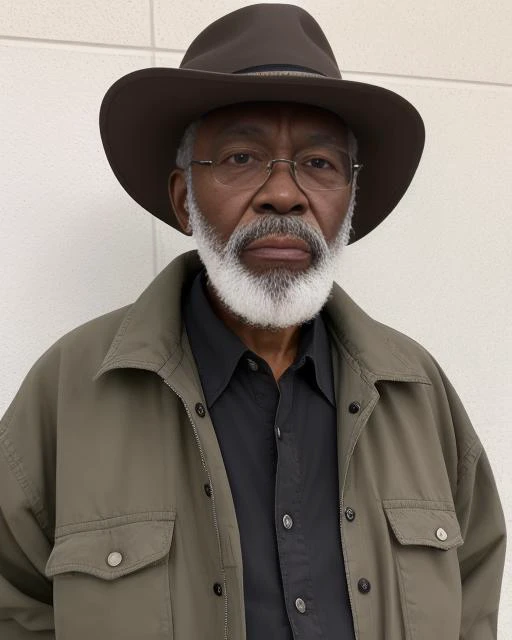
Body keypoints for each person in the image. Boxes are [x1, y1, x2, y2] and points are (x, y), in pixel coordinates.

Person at [0, 4, 506, 639]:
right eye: (242, 157)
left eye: (320, 164)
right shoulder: (70, 390)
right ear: (185, 198)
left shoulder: (418, 394)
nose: (284, 194)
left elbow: (474, 597)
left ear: (349, 203)